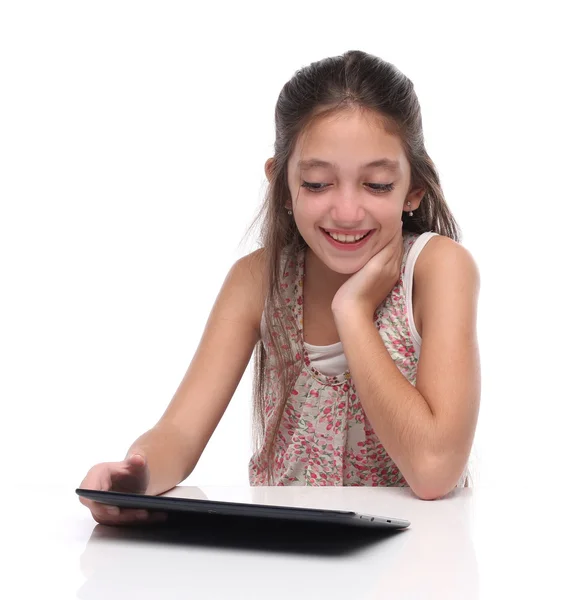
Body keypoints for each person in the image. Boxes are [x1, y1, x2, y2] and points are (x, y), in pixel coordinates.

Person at [79, 49, 481, 525]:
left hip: (418, 558)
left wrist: (352, 312)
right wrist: (134, 479)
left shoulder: (438, 270)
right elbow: (180, 433)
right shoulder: (257, 280)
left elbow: (433, 471)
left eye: (375, 184)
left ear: (413, 189)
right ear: (283, 185)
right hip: (290, 557)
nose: (347, 211)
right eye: (316, 183)